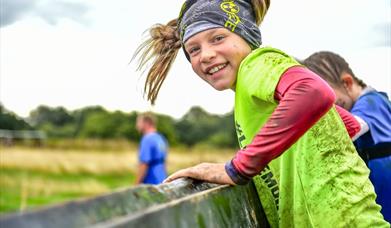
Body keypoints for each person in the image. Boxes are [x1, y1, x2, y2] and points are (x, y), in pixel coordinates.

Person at [133, 0, 389, 226]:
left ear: (247, 35)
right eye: (194, 49)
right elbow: (347, 125)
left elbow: (314, 92)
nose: (206, 55)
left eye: (218, 38)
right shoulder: (251, 92)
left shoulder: (257, 64)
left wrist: (237, 168)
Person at [303, 51, 391, 222]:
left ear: (347, 83)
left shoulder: (372, 102)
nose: (325, 110)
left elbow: (352, 127)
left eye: (328, 100)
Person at [135, 112, 168, 185]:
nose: (136, 125)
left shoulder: (147, 139)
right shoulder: (161, 138)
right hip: (162, 178)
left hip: (151, 181)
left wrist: (136, 185)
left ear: (146, 123)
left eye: (138, 122)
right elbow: (164, 162)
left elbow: (144, 164)